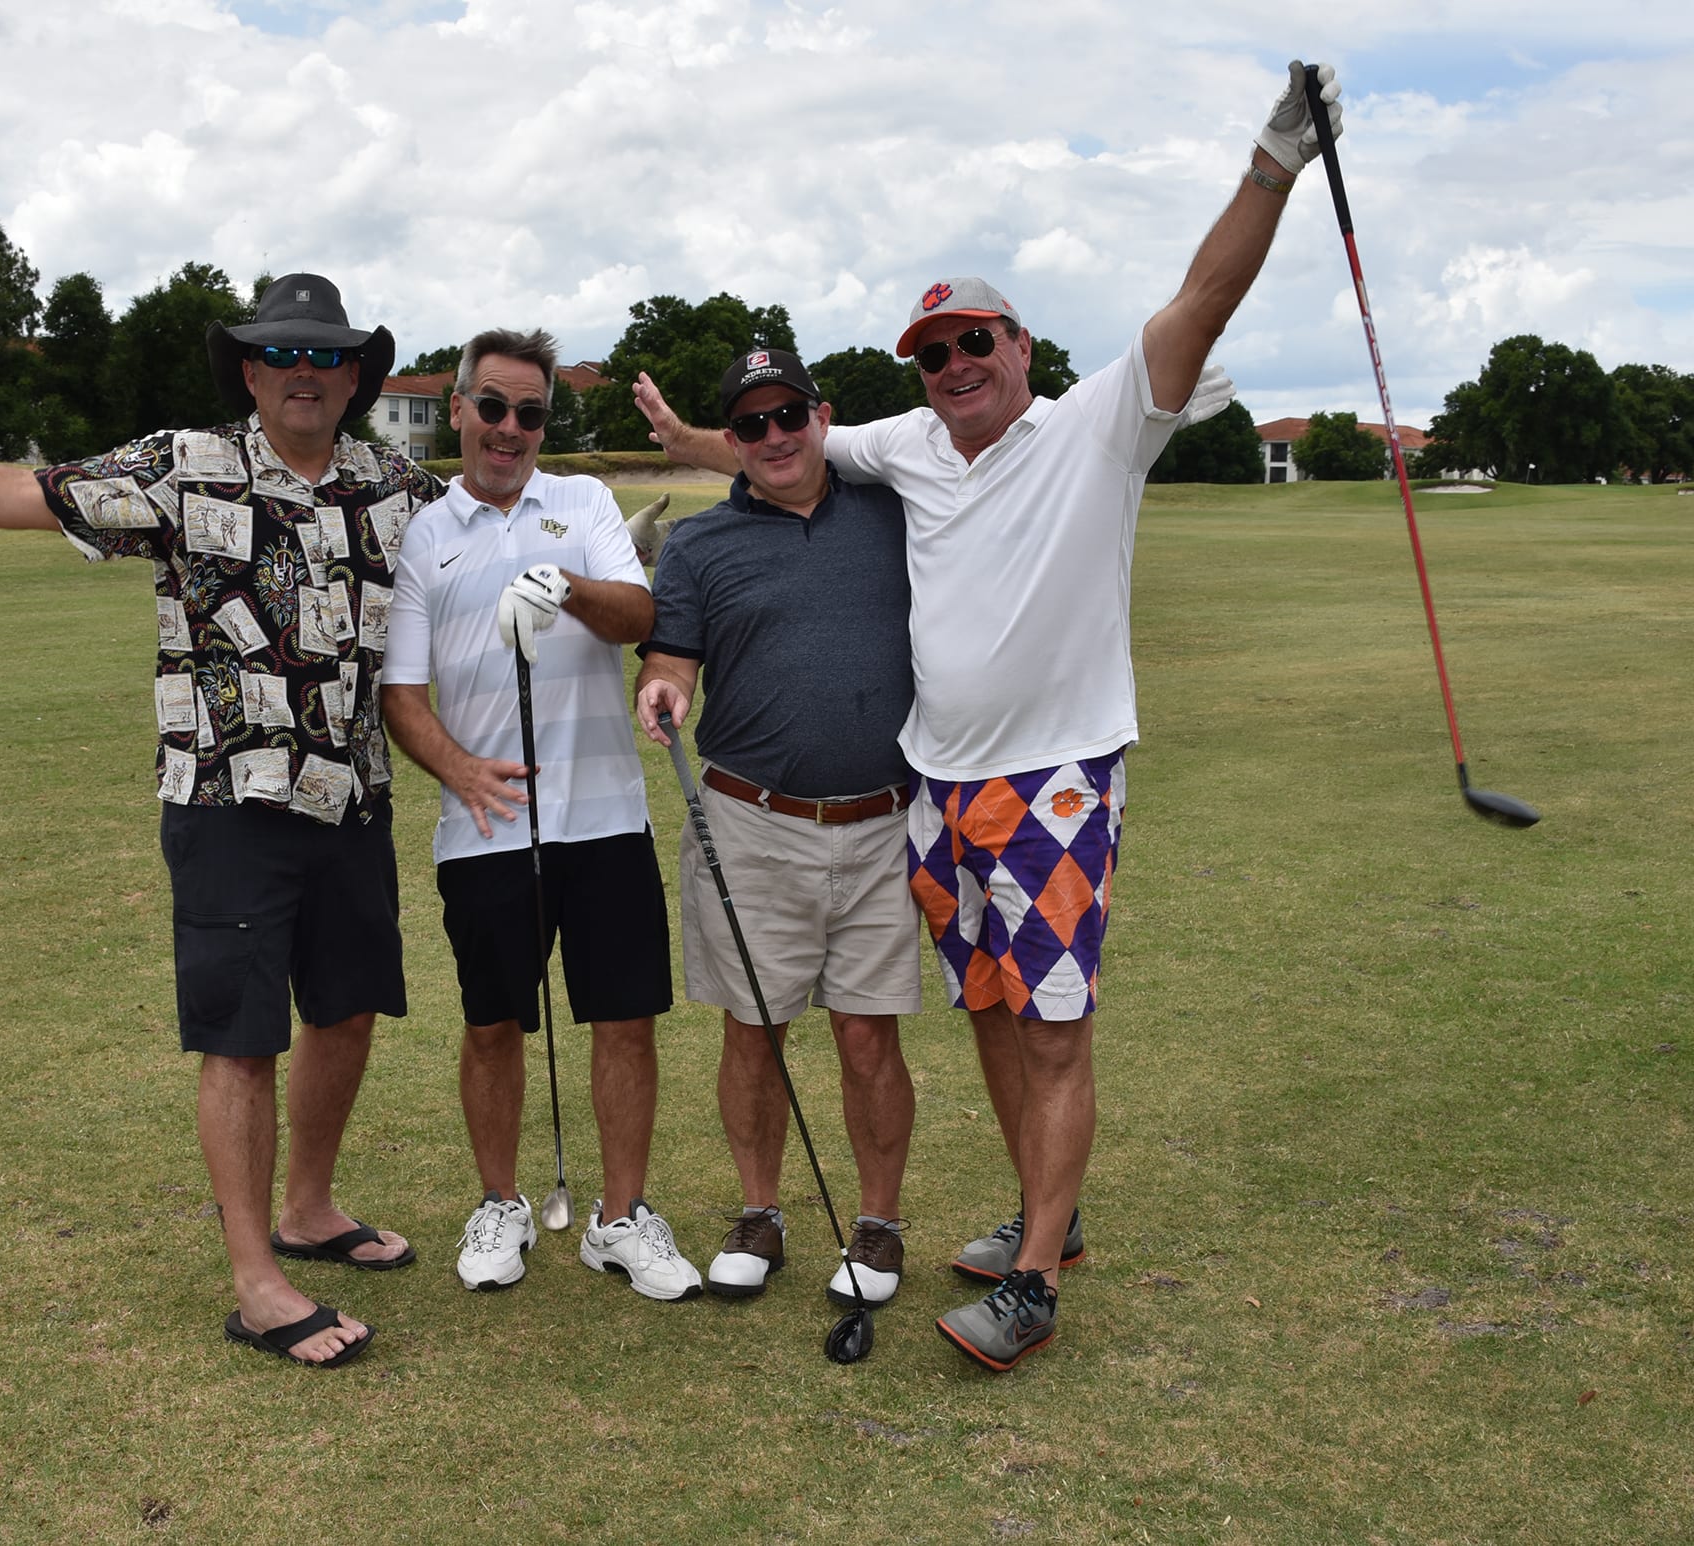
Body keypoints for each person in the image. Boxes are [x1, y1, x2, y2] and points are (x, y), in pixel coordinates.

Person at [632, 63, 1344, 1369]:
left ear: (1021, 349)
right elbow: (775, 450)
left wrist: (1273, 162)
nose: (956, 363)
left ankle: (1030, 1282)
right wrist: (686, 433)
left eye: (976, 341)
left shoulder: (1098, 427)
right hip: (938, 788)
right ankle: (1043, 1220)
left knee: (1057, 1025)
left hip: (1058, 778)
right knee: (992, 1014)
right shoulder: (900, 442)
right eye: (935, 352)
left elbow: (1204, 297)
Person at [0, 273, 438, 1369]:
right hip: (224, 800)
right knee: (240, 1038)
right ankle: (257, 1281)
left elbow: (499, 554)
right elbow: (27, 494)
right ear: (250, 372)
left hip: (351, 797)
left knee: (345, 1011)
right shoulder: (180, 468)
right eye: (282, 356)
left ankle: (307, 1209)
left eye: (325, 356)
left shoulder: (399, 486)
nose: (305, 373)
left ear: (355, 375)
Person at [381, 327, 702, 1302]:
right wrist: (461, 772)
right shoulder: (424, 534)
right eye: (492, 407)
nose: (509, 428)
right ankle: (500, 1203)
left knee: (624, 1020)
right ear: (458, 410)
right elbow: (402, 693)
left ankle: (618, 1217)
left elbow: (640, 618)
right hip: (485, 830)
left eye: (529, 413)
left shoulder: (584, 503)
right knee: (492, 1025)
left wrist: (564, 587)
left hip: (601, 817)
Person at [633, 348, 920, 1309]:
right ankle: (760, 1213)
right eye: (749, 425)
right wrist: (664, 690)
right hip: (750, 821)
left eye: (786, 415)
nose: (772, 437)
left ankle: (876, 1226)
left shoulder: (891, 510)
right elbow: (671, 658)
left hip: (882, 822)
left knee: (868, 1037)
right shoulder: (700, 546)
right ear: (736, 441)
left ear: (820, 414)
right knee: (752, 1031)